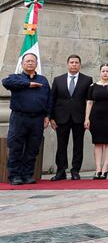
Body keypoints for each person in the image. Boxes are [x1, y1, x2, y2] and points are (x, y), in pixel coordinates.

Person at [2, 53, 50, 185]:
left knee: (32, 148)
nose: (30, 63)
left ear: (36, 64)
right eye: (27, 61)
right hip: (19, 118)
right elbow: (5, 82)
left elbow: (48, 99)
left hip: (37, 119)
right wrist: (28, 84)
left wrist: (47, 116)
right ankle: (14, 175)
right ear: (22, 63)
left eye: (32, 61)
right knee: (16, 147)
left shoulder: (43, 80)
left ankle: (28, 174)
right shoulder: (15, 78)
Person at [48, 54, 92, 181]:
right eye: (72, 62)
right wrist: (51, 117)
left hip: (79, 117)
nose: (74, 64)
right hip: (61, 118)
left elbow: (89, 100)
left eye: (76, 62)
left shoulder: (87, 80)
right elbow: (52, 99)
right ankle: (61, 171)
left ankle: (75, 170)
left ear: (80, 64)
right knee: (61, 145)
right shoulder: (58, 80)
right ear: (67, 64)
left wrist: (87, 118)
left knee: (78, 145)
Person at [84, 63, 108, 180]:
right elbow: (89, 103)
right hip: (95, 118)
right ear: (100, 72)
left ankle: (105, 169)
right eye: (103, 71)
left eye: (107, 71)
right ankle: (98, 170)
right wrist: (87, 118)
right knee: (97, 143)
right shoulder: (93, 86)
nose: (105, 73)